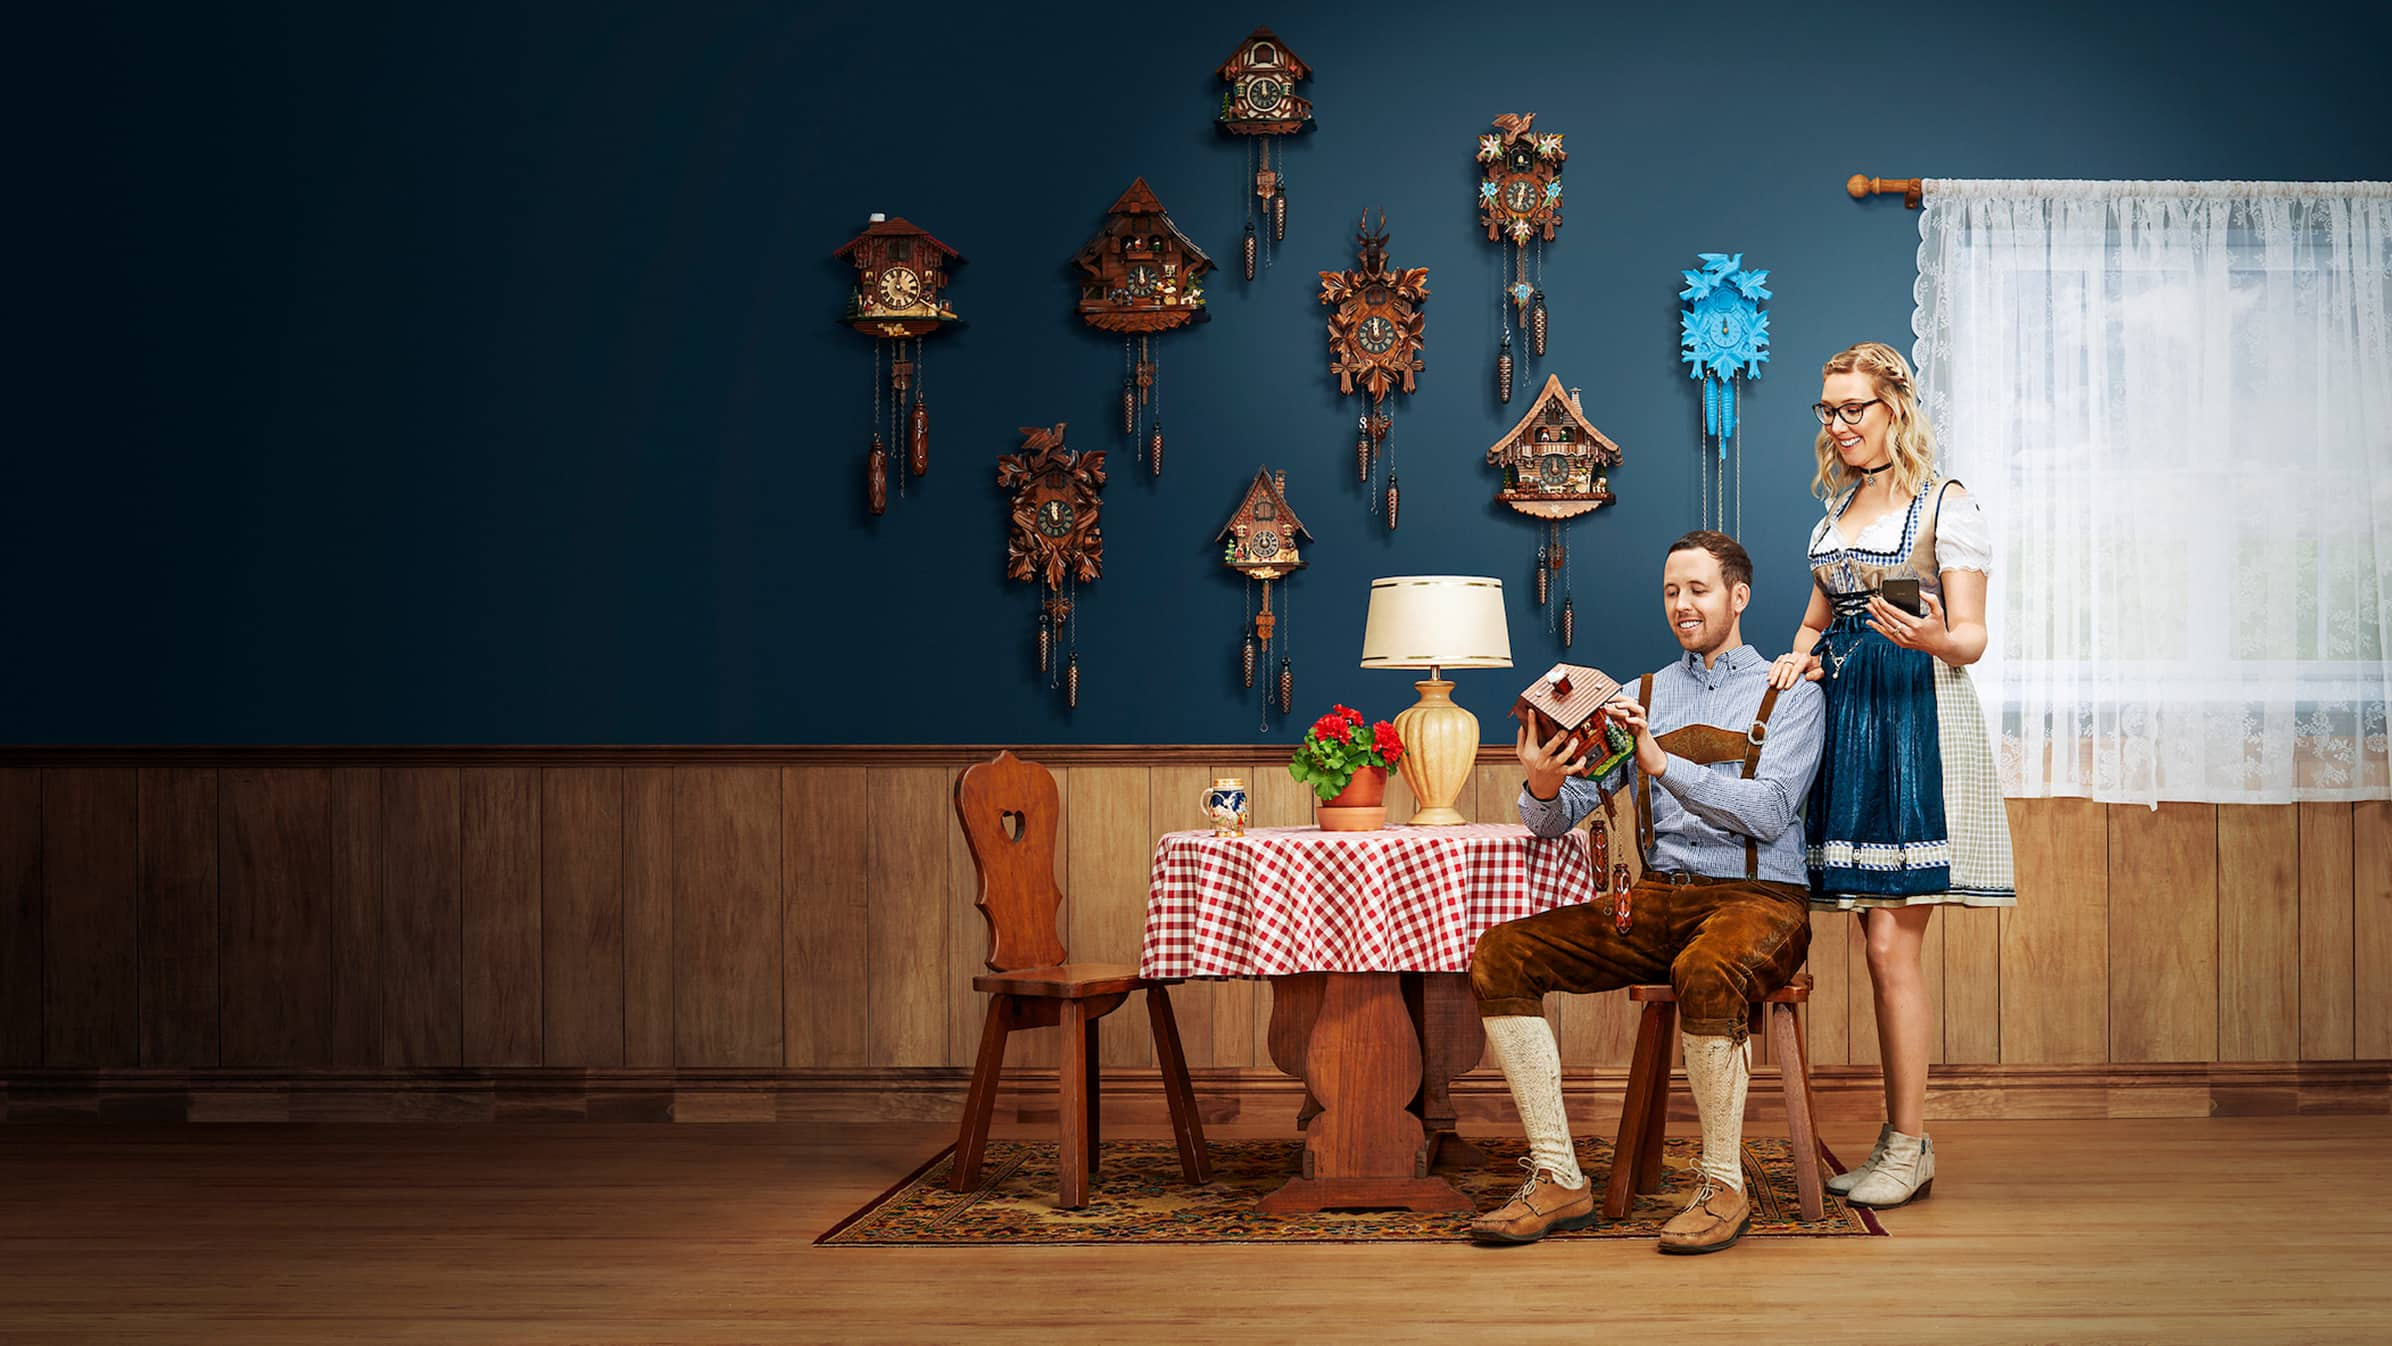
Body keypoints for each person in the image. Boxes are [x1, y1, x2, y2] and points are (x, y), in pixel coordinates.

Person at [1468, 530, 1825, 1255]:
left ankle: (1723, 1186)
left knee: (1705, 969)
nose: (1682, 605)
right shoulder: (1638, 695)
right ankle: (1558, 1176)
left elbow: (1771, 809)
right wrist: (1541, 782)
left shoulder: (1791, 692)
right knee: (1502, 954)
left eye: (1697, 589)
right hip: (1659, 898)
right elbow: (1555, 821)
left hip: (1760, 901)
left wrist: (1660, 764)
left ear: (1738, 597)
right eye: (1671, 591)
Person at [1768, 341, 2016, 1209]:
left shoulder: (1946, 508)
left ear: (1895, 410)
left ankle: (1908, 1144)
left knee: (1887, 947)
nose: (1837, 427)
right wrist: (1794, 662)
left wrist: (1931, 638)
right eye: (1827, 411)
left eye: (1853, 410)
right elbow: (1812, 622)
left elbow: (1972, 639)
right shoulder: (1835, 514)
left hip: (1915, 730)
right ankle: (1902, 1141)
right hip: (1846, 731)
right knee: (1873, 946)